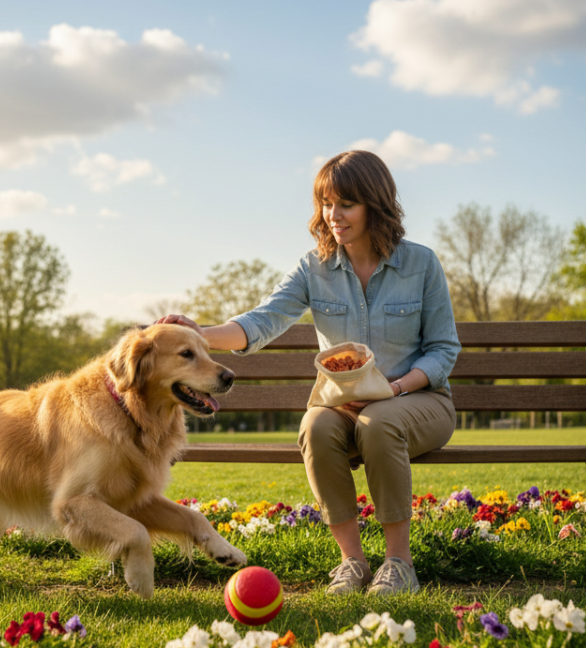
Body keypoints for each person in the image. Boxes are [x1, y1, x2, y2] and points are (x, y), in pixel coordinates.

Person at [156, 150, 460, 596]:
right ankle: (352, 562)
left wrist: (393, 389)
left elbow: (443, 349)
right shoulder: (313, 267)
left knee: (379, 422)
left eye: (346, 204)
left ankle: (399, 564)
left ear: (376, 204)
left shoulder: (421, 264)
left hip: (418, 400)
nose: (332, 216)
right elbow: (261, 322)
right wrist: (198, 332)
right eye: (325, 203)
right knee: (315, 425)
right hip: (341, 404)